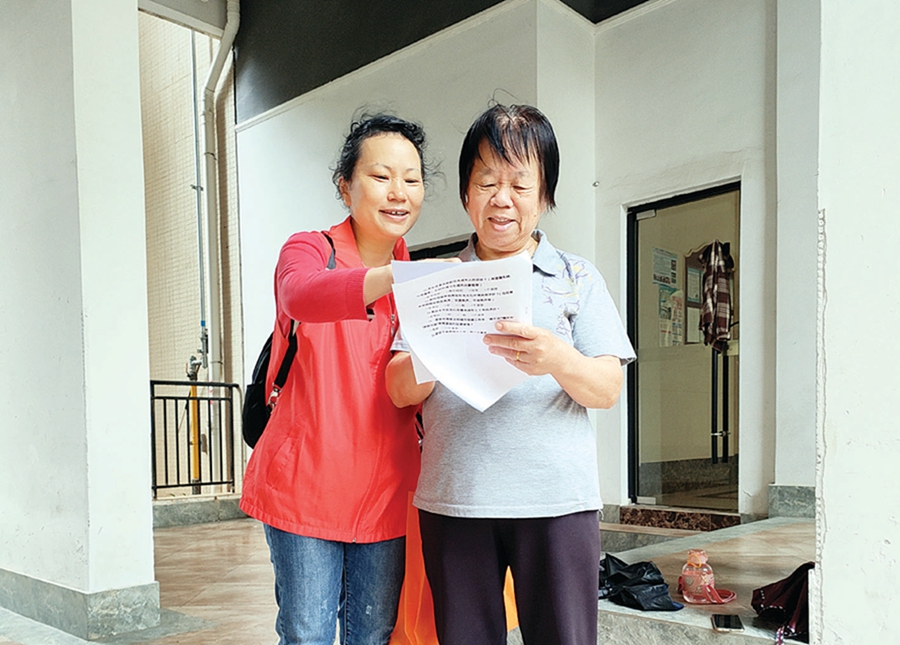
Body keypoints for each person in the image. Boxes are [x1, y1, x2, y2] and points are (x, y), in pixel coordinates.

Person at [386, 104, 636, 645]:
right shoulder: (435, 280)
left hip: (557, 504)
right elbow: (398, 388)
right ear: (466, 194)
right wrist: (441, 352)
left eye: (520, 184)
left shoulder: (576, 277)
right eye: (487, 182)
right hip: (456, 501)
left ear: (544, 196)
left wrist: (556, 358)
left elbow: (607, 388)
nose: (502, 199)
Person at [240, 113, 430, 645]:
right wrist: (397, 278)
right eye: (381, 176)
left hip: (387, 492)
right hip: (304, 487)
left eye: (412, 179)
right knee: (307, 635)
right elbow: (300, 295)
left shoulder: (421, 284)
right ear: (345, 186)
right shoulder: (308, 249)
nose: (398, 192)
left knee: (373, 636)